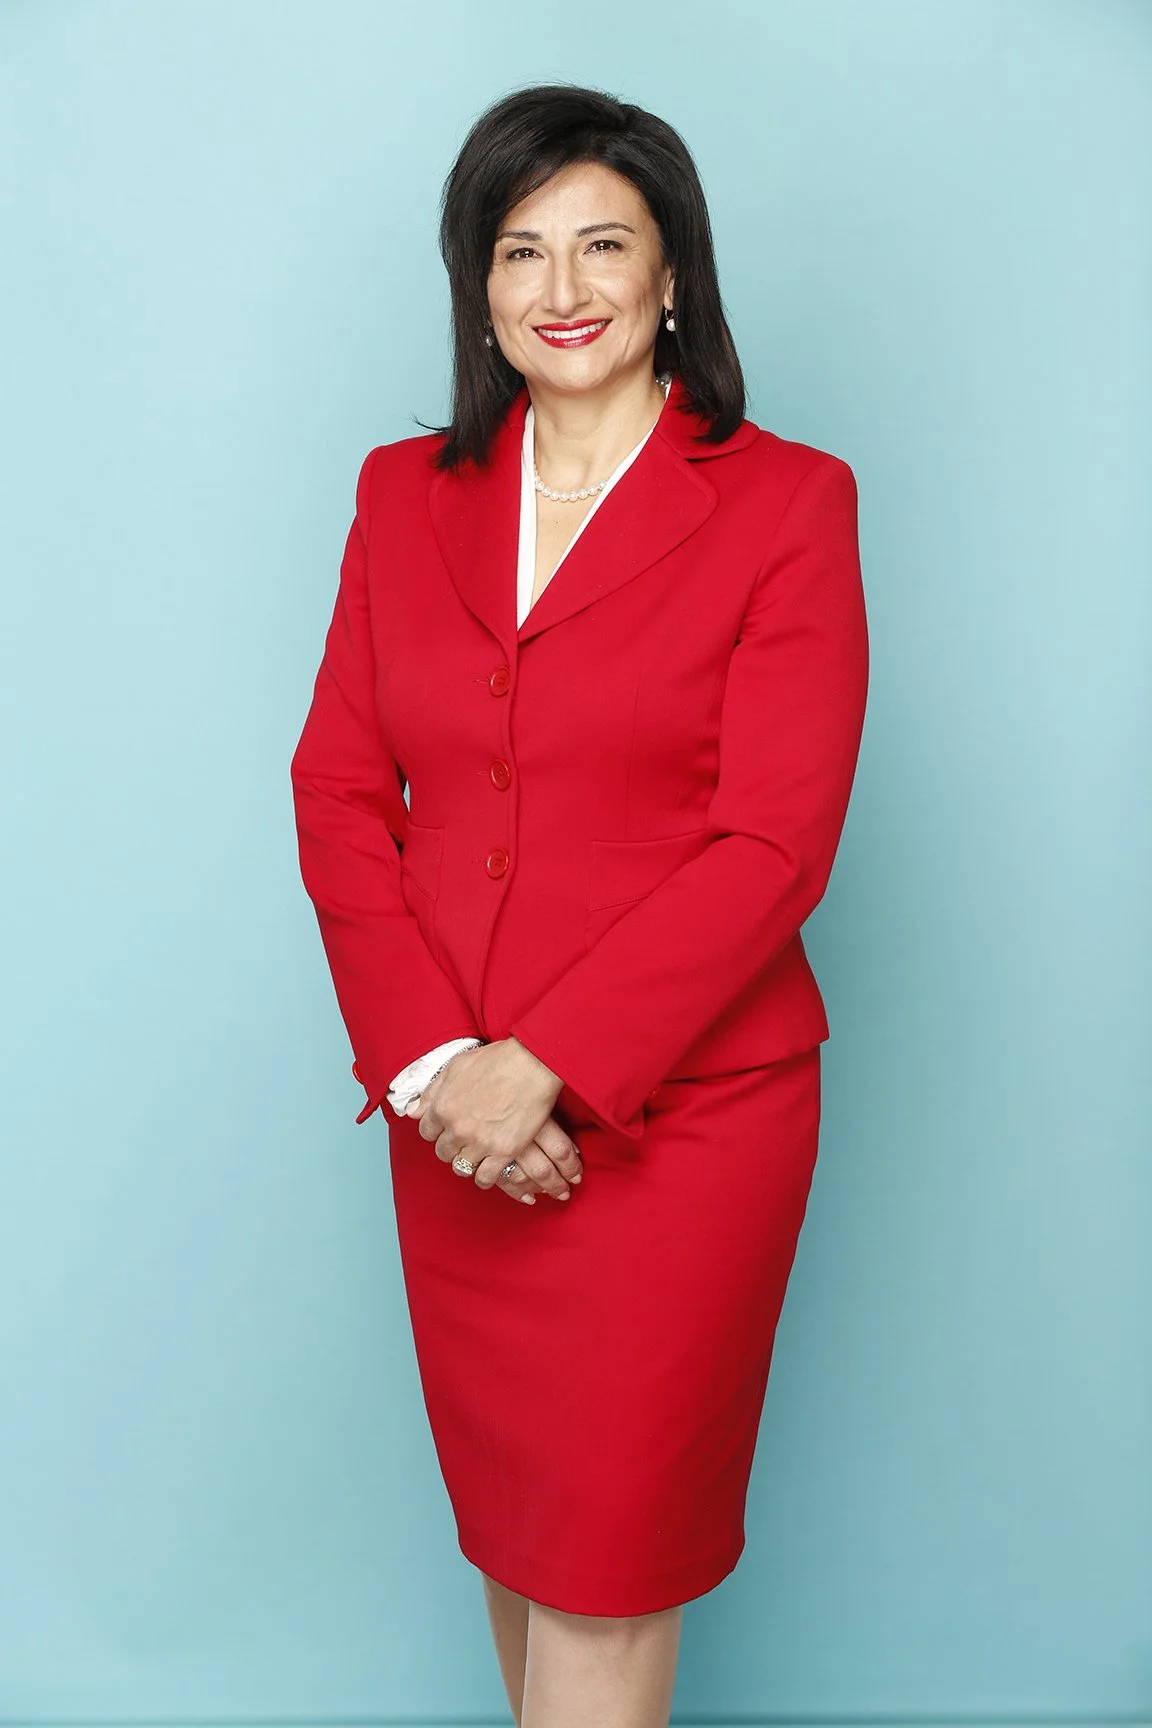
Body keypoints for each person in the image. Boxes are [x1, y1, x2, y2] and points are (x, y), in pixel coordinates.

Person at [290, 81, 868, 1728]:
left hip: (680, 1122)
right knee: (522, 1545)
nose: (563, 286)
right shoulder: (405, 495)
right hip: (454, 1124)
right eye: (519, 249)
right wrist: (430, 1070)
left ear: (673, 272)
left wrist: (535, 1063)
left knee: (609, 1572)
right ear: (476, 286)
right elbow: (339, 789)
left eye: (603, 243)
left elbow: (774, 844)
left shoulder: (784, 502)